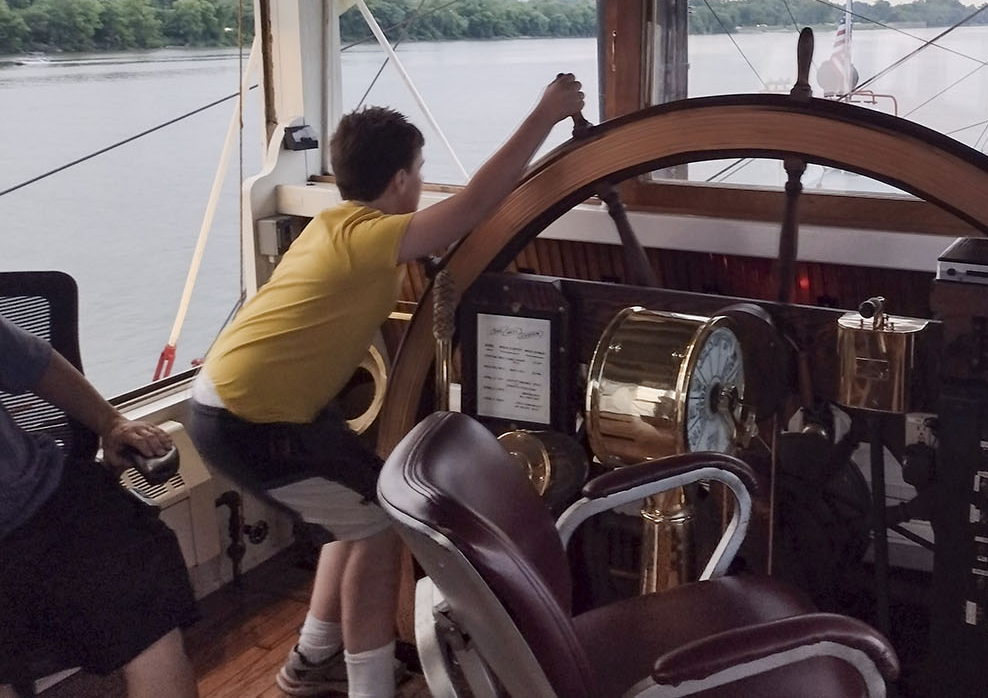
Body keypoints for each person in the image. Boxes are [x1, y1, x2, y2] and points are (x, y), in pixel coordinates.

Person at [188, 73, 584, 698]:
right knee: (372, 522)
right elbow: (475, 206)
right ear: (400, 180)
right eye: (420, 171)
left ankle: (313, 658)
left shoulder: (333, 225)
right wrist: (546, 114)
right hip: (249, 419)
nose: (422, 183)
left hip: (251, 404)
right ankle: (368, 684)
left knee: (356, 508)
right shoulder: (370, 238)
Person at [0, 314, 198, 698]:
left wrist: (111, 422)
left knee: (152, 629)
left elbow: (35, 363)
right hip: (37, 514)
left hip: (48, 501)